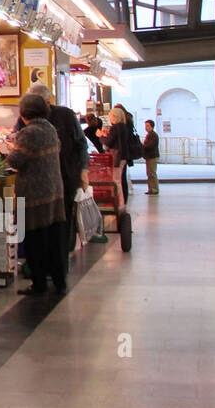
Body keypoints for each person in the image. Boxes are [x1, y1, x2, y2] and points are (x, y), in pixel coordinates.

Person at [8, 91, 68, 296]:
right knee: (53, 239)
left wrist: (9, 149)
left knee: (35, 241)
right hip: (54, 190)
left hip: (35, 195)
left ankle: (39, 283)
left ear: (24, 113)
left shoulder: (28, 133)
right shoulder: (50, 128)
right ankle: (60, 281)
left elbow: (16, 161)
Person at [19, 82, 89, 250]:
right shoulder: (26, 118)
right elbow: (16, 141)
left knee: (61, 221)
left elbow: (81, 143)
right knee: (41, 225)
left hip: (66, 177)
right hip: (38, 184)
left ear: (48, 103)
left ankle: (60, 259)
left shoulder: (66, 115)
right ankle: (47, 261)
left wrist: (84, 170)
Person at [105, 104, 130, 203]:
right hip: (123, 157)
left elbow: (109, 142)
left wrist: (101, 136)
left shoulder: (115, 128)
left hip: (116, 157)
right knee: (120, 180)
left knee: (116, 181)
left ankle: (119, 202)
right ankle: (122, 201)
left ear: (114, 116)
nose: (109, 117)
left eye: (110, 115)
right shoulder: (124, 127)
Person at [143, 119, 160, 194]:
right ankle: (151, 188)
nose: (146, 127)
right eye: (145, 126)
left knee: (152, 173)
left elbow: (150, 146)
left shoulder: (153, 135)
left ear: (152, 126)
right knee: (149, 173)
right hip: (149, 156)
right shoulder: (149, 135)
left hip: (152, 156)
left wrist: (142, 146)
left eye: (147, 126)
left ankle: (154, 188)